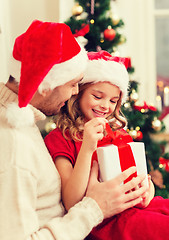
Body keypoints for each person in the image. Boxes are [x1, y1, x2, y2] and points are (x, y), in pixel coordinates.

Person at [45, 50, 169, 240]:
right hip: (106, 220)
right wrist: (87, 146)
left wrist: (147, 192)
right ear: (78, 94)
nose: (105, 106)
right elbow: (71, 201)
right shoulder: (62, 137)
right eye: (97, 96)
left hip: (134, 207)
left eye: (113, 101)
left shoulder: (118, 133)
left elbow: (141, 178)